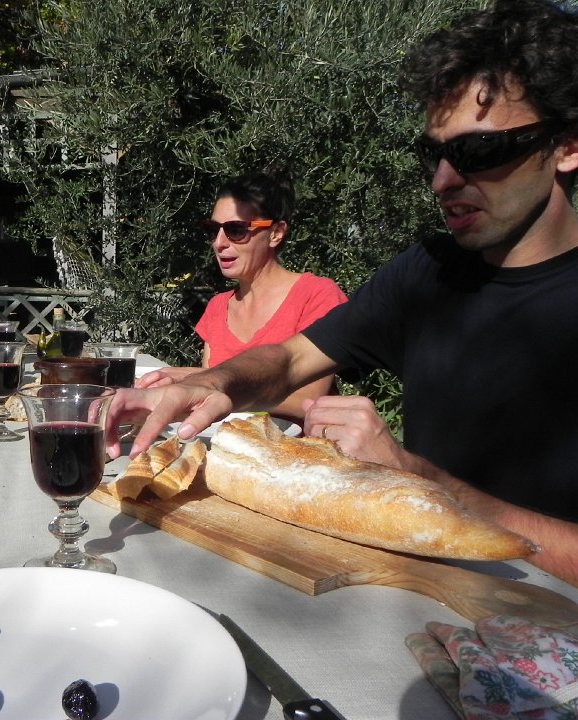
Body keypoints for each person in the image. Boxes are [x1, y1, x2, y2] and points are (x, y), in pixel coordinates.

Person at [109, 0, 578, 585]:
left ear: (566, 145)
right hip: (418, 598)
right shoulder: (428, 272)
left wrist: (412, 474)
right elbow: (291, 359)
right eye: (433, 154)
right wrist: (211, 383)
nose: (442, 180)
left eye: (477, 151)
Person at [136, 170, 347, 421]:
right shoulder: (218, 307)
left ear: (276, 233)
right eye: (213, 229)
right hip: (229, 441)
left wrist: (203, 381)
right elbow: (213, 404)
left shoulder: (316, 296)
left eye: (236, 230)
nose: (219, 243)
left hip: (297, 444)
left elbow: (307, 400)